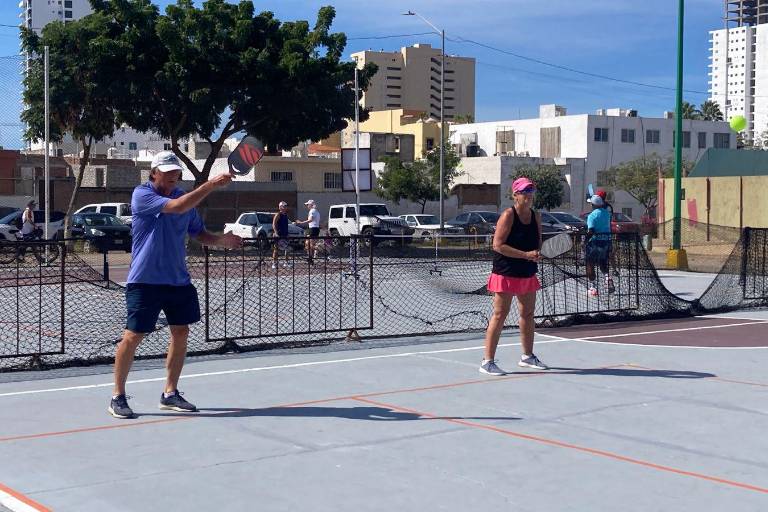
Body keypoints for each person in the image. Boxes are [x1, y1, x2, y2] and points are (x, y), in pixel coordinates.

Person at [109, 151, 243, 419]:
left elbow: (199, 233)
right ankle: (117, 396)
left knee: (181, 333)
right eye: (167, 171)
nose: (173, 176)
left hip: (178, 281)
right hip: (145, 281)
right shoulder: (142, 195)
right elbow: (177, 207)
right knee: (133, 336)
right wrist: (211, 185)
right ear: (154, 171)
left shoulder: (183, 197)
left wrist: (221, 241)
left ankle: (170, 393)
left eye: (176, 172)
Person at [480, 177, 548, 376]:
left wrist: (536, 253)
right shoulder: (508, 215)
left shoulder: (536, 216)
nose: (528, 196)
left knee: (527, 314)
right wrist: (525, 255)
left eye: (531, 192)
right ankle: (487, 361)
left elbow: (537, 241)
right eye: (524, 192)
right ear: (515, 195)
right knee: (500, 315)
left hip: (526, 272)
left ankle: (527, 356)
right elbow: (497, 245)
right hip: (506, 271)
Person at [585, 194, 615, 297]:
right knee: (603, 263)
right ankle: (607, 278)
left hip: (595, 243)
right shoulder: (607, 214)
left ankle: (593, 288)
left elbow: (591, 230)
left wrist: (585, 240)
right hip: (606, 242)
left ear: (593, 205)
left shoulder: (592, 216)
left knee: (590, 264)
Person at [294, 199, 321, 264]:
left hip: (312, 229)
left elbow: (310, 220)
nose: (307, 206)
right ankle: (310, 258)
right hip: (314, 229)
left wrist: (301, 222)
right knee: (308, 244)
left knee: (310, 244)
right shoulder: (316, 211)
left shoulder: (312, 211)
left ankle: (320, 247)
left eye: (307, 205)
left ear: (311, 205)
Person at [272, 201, 291, 269]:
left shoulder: (286, 215)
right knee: (276, 249)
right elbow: (274, 224)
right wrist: (276, 233)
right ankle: (274, 263)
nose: (285, 207)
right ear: (280, 207)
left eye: (286, 206)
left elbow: (285, 225)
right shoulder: (278, 214)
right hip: (278, 235)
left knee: (287, 249)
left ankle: (286, 263)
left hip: (285, 235)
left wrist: (287, 233)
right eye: (284, 206)